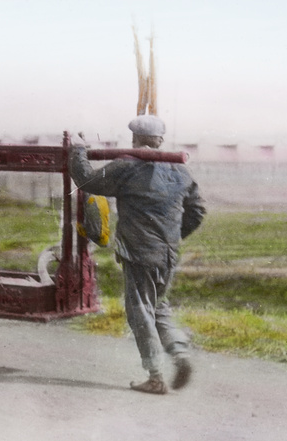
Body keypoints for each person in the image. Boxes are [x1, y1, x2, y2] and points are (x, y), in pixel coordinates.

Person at [69, 114, 206, 394]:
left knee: (140, 311)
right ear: (160, 141)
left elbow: (86, 180)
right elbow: (198, 210)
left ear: (134, 139)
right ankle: (179, 354)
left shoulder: (126, 167)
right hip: (168, 253)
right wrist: (174, 235)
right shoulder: (179, 170)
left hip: (139, 252)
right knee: (158, 308)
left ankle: (155, 376)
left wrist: (77, 151)